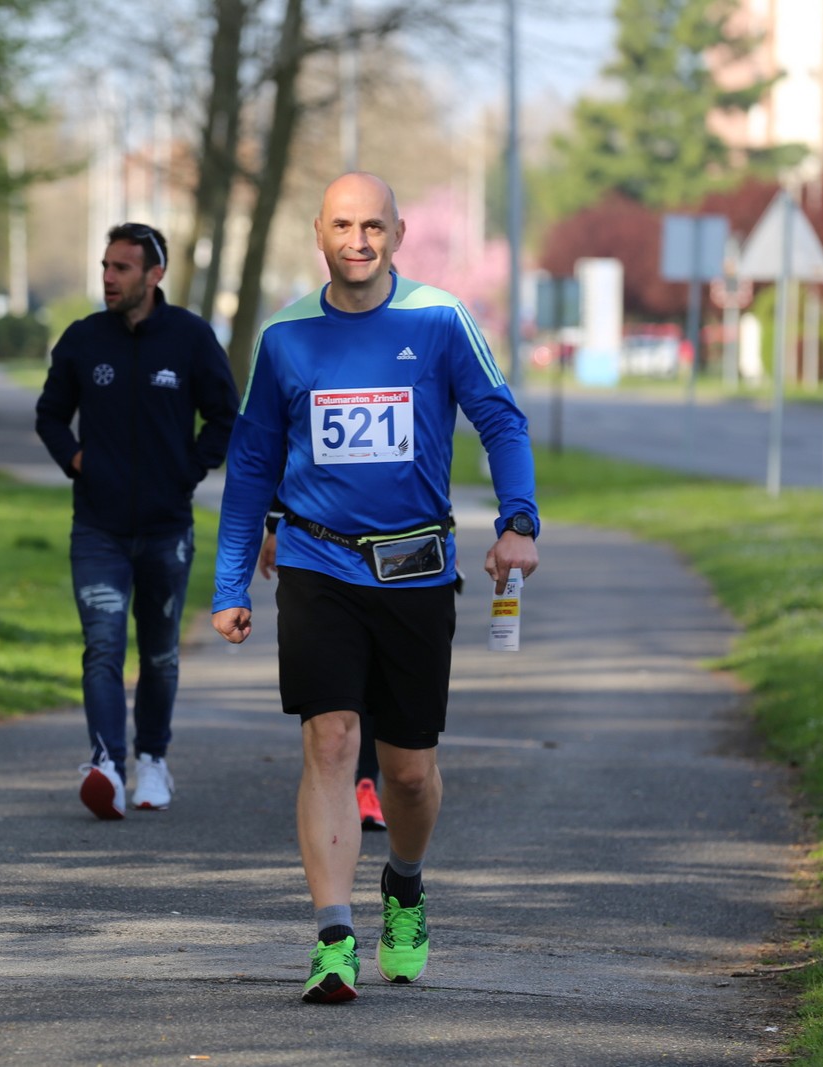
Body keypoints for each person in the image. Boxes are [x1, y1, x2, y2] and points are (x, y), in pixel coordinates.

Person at [211, 173, 540, 1004]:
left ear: (397, 233)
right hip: (319, 565)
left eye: (374, 227)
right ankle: (332, 935)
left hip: (416, 572)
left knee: (410, 775)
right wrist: (228, 580)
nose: (358, 241)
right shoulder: (286, 334)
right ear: (318, 232)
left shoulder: (438, 318)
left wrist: (519, 522)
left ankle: (403, 881)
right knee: (330, 740)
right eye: (343, 226)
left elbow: (499, 419)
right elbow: (251, 461)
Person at [36, 222, 239, 820]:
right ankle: (105, 762)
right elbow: (50, 415)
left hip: (166, 528)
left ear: (154, 275)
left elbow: (225, 416)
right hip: (96, 528)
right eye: (105, 266)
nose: (108, 278)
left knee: (158, 654)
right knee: (101, 646)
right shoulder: (82, 340)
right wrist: (76, 460)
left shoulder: (191, 339)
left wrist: (188, 470)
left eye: (121, 268)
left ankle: (152, 759)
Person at [258, 501, 386, 832]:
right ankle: (342, 789)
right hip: (317, 553)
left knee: (377, 678)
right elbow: (286, 456)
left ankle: (366, 781)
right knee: (336, 701)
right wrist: (274, 526)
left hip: (399, 555)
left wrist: (446, 531)